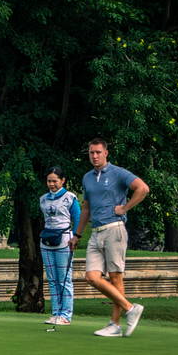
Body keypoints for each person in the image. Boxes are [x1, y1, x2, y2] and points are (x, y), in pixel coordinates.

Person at [74, 138, 150, 336]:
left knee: (115, 277)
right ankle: (130, 308)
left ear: (106, 153)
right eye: (92, 153)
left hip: (114, 229)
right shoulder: (87, 178)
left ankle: (114, 325)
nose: (95, 156)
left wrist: (125, 208)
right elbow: (86, 208)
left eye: (98, 152)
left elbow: (142, 188)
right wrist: (77, 234)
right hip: (96, 232)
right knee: (91, 276)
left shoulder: (118, 173)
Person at [38, 166, 82, 326]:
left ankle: (66, 314)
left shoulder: (70, 198)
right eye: (49, 181)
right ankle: (56, 313)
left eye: (54, 181)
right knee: (52, 279)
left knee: (64, 279)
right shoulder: (43, 199)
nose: (51, 184)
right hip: (47, 240)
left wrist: (76, 237)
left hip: (64, 240)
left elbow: (77, 218)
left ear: (62, 181)